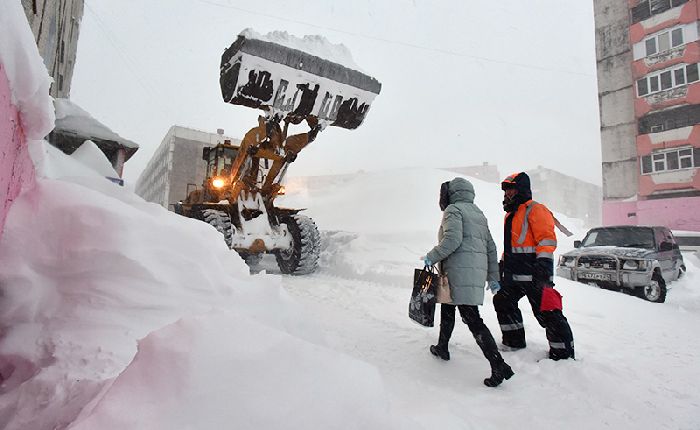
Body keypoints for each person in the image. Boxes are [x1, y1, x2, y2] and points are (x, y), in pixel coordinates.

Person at [422, 177, 514, 388]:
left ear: (452, 193)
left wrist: (431, 256)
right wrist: (493, 277)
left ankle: (498, 365)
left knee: (472, 319)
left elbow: (452, 240)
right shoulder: (478, 213)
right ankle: (442, 347)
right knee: (448, 308)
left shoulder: (453, 210)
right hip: (470, 274)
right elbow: (490, 247)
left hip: (458, 273)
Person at [495, 172, 575, 360]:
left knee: (547, 313)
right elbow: (513, 244)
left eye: (511, 189)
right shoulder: (511, 215)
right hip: (514, 275)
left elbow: (546, 240)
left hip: (535, 274)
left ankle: (563, 353)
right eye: (506, 191)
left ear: (521, 189)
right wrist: (502, 264)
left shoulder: (535, 209)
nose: (507, 194)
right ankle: (514, 341)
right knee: (503, 301)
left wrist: (543, 268)